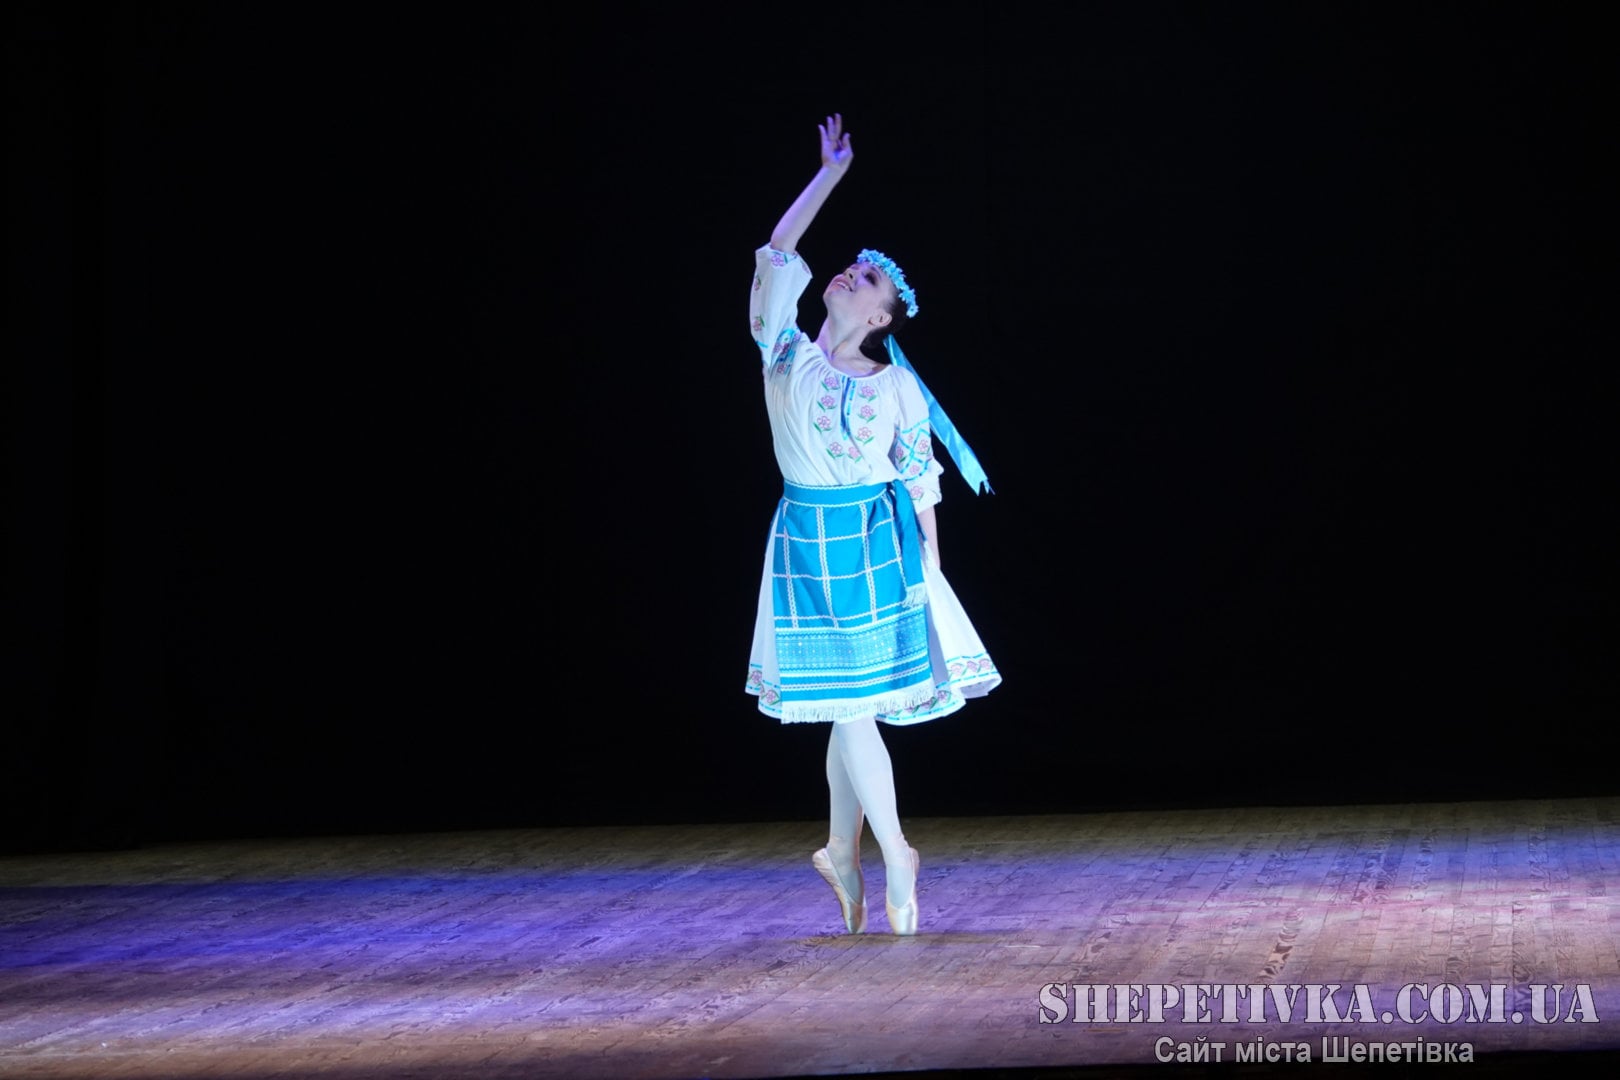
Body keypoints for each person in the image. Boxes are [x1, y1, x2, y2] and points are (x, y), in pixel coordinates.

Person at [746, 115, 1000, 935]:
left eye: (865, 279)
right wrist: (829, 175)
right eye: (852, 269)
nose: (848, 276)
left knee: (851, 707)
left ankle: (873, 850)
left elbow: (921, 476)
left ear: (883, 316)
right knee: (843, 705)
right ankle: (870, 850)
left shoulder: (894, 385)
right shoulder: (784, 351)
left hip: (875, 546)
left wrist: (932, 565)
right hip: (805, 543)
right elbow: (779, 250)